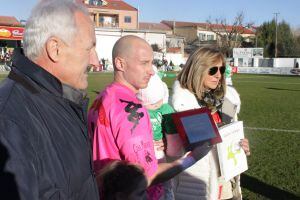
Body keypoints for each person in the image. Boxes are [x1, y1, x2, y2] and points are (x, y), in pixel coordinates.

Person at [88, 35, 211, 200]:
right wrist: (193, 157)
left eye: (151, 63)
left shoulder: (101, 97)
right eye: (144, 63)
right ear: (120, 64)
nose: (152, 71)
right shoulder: (133, 109)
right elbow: (147, 176)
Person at [0, 0, 100, 199]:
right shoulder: (9, 122)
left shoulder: (62, 102)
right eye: (89, 49)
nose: (95, 62)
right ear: (55, 49)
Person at [171, 46, 250, 200]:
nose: (219, 75)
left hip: (226, 185)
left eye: (222, 69)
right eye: (213, 70)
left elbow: (232, 140)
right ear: (198, 69)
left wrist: (242, 147)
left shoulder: (227, 102)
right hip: (195, 187)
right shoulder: (179, 105)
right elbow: (171, 154)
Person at [137, 66, 176, 199]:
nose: (154, 106)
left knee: (164, 171)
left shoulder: (165, 108)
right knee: (147, 174)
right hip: (143, 148)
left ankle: (168, 192)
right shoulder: (138, 110)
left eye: (157, 101)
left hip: (159, 148)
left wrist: (168, 140)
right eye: (150, 104)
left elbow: (173, 130)